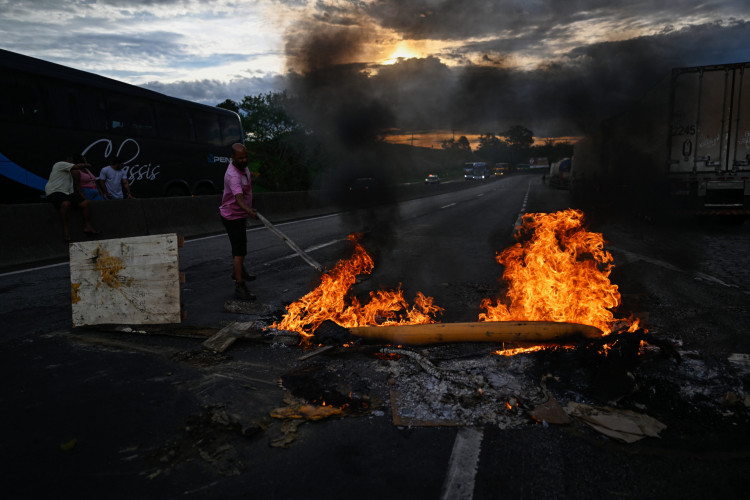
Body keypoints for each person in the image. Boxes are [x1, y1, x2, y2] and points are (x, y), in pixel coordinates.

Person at [220, 143, 259, 301]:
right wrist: (249, 211)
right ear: (233, 158)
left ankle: (240, 271)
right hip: (232, 216)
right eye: (240, 158)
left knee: (239, 248)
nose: (244, 160)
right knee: (239, 251)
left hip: (240, 215)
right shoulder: (233, 176)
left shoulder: (243, 167)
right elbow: (239, 198)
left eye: (245, 157)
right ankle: (239, 286)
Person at [45, 154, 100, 242]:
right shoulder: (59, 164)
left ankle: (87, 226)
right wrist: (86, 164)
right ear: (68, 160)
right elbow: (78, 166)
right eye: (71, 161)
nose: (72, 163)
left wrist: (82, 197)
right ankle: (65, 228)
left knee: (85, 203)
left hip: (68, 192)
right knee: (66, 204)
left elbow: (76, 186)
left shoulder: (71, 172)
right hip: (55, 191)